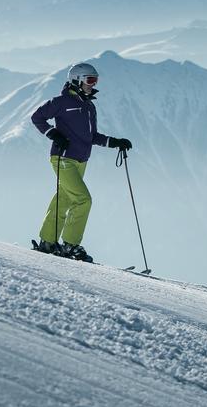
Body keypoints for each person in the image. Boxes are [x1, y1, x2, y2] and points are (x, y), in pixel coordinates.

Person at [29, 62, 131, 262]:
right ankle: (70, 245)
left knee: (64, 199)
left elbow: (92, 136)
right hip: (63, 158)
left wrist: (115, 142)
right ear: (76, 80)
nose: (93, 84)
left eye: (95, 80)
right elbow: (37, 117)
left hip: (81, 161)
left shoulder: (89, 107)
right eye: (90, 80)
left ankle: (47, 242)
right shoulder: (61, 102)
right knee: (83, 200)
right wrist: (53, 133)